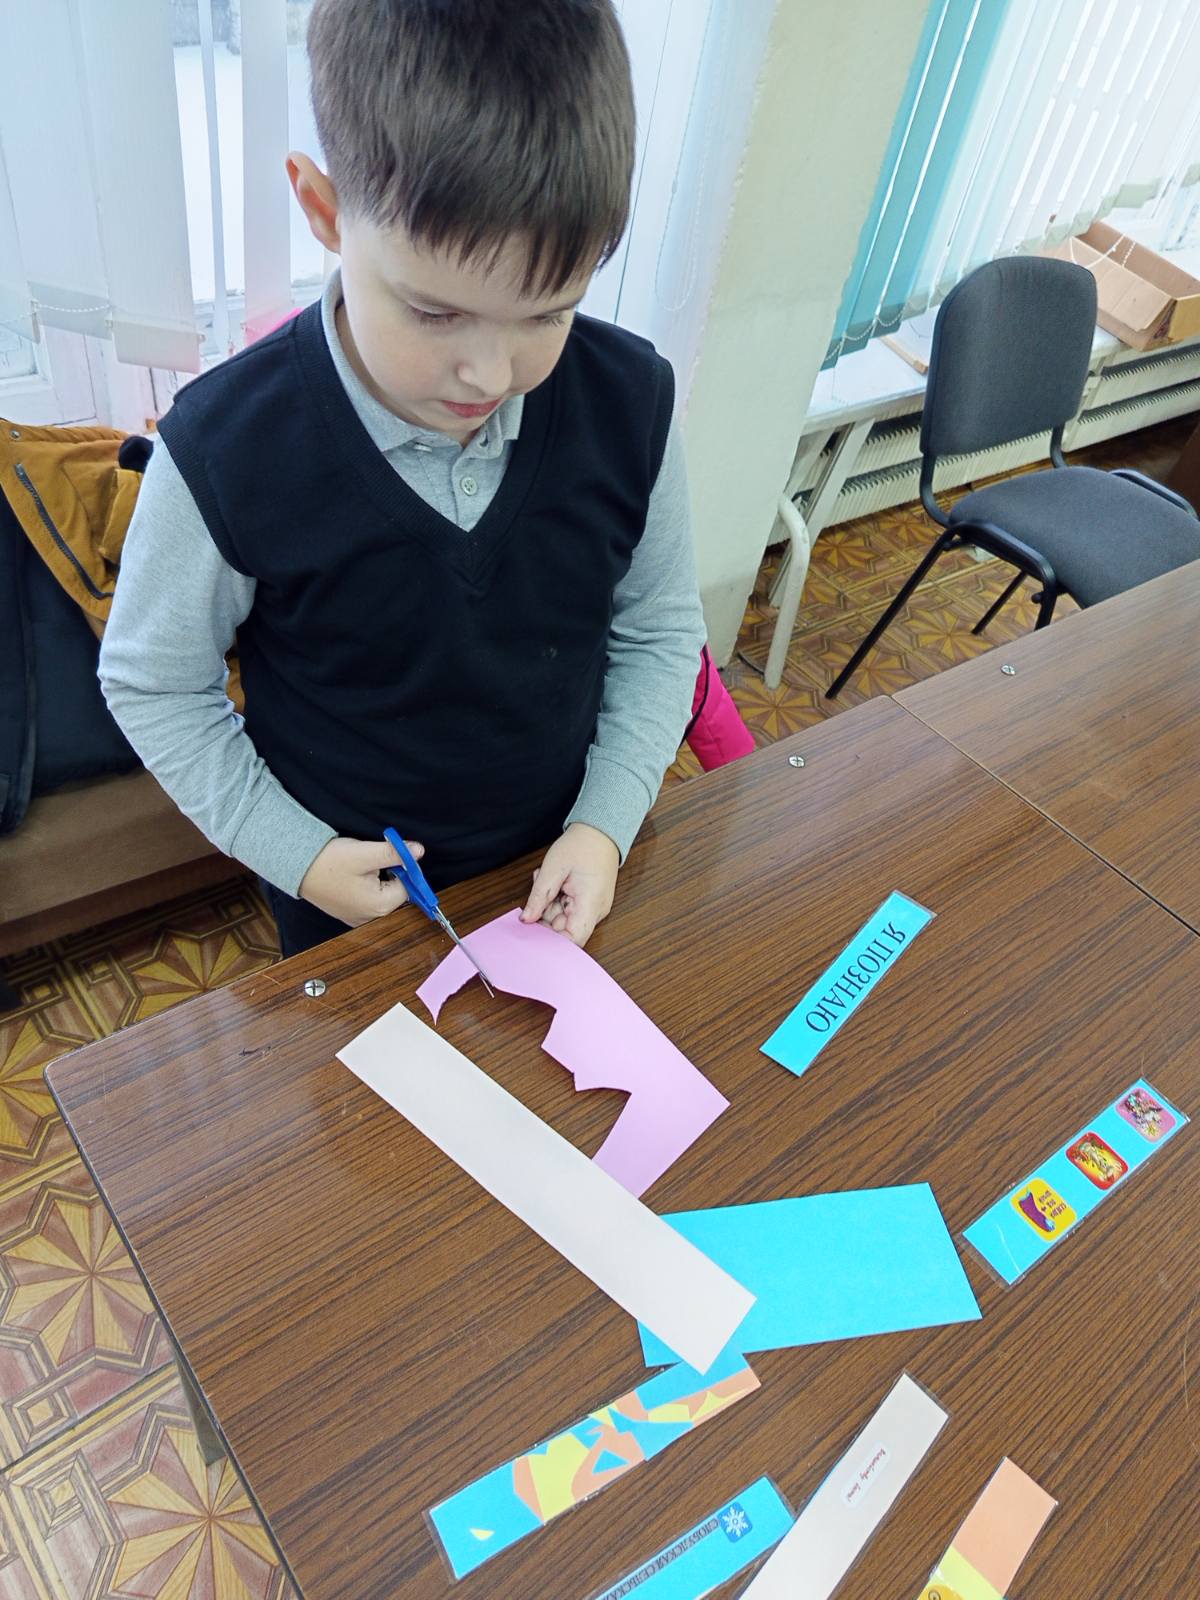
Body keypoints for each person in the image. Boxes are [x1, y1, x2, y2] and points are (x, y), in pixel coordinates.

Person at [99, 0, 705, 958]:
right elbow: (155, 685)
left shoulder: (631, 402)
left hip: (569, 867)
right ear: (325, 212)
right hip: (349, 909)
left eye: (547, 314)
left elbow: (661, 629)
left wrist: (605, 822)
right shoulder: (222, 450)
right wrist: (296, 856)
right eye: (433, 313)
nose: (490, 375)